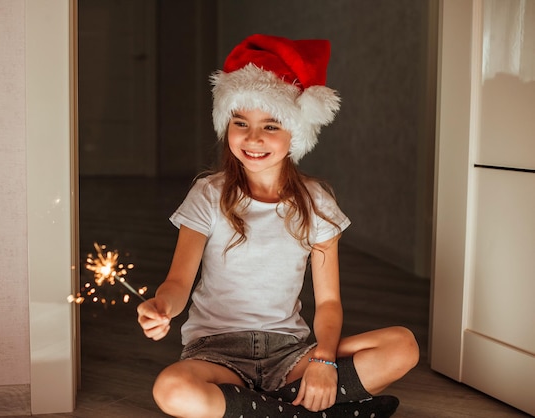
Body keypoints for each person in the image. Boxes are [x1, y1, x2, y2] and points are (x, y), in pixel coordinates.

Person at [137, 34, 419, 418]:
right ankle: (314, 411)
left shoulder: (317, 202)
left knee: (402, 346)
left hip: (290, 354)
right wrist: (161, 306)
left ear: (296, 133)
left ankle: (262, 410)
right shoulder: (208, 194)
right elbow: (178, 283)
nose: (253, 138)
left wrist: (323, 361)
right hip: (216, 355)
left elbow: (330, 302)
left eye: (271, 126)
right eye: (241, 123)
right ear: (227, 125)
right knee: (171, 389)